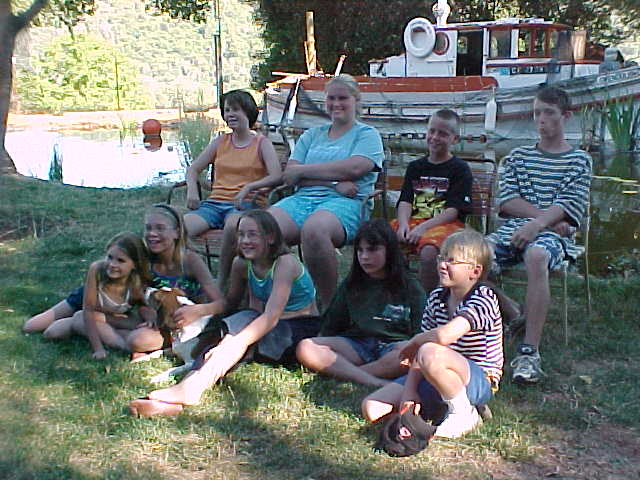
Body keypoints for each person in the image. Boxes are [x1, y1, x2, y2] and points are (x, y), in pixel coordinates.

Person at [129, 210, 322, 417]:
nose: (245, 241)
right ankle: (186, 391)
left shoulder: (285, 263)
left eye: (252, 234)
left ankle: (189, 389)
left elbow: (270, 317)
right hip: (262, 322)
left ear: (271, 237)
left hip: (298, 328)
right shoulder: (242, 264)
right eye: (241, 234)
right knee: (226, 331)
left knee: (234, 339)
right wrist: (201, 311)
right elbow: (229, 304)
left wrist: (236, 341)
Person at [486, 86, 591, 384]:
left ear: (565, 116)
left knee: (537, 254)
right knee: (469, 256)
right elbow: (507, 202)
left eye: (548, 113)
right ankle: (512, 311)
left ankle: (529, 352)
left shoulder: (579, 160)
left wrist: (538, 226)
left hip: (552, 239)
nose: (541, 119)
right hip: (516, 230)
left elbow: (570, 204)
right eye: (536, 113)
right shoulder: (517, 157)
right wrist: (543, 221)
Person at [25, 204, 226, 356]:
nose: (152, 234)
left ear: (177, 232)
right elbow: (130, 292)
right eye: (148, 228)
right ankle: (86, 324)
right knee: (36, 327)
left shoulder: (190, 260)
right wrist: (144, 312)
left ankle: (90, 328)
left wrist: (198, 310)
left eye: (160, 228)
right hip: (125, 310)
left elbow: (222, 303)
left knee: (138, 340)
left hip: (170, 322)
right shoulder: (143, 256)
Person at [361, 229, 503, 439]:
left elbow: (444, 336)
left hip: (477, 378)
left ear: (475, 271)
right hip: (434, 372)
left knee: (429, 350)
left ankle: (463, 412)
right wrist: (409, 392)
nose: (443, 265)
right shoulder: (437, 297)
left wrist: (416, 341)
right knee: (371, 408)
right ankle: (442, 409)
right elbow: (420, 355)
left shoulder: (483, 298)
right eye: (441, 258)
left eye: (452, 261)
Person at [269, 74, 384, 308]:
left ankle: (330, 305)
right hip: (303, 199)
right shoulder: (312, 135)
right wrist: (333, 182)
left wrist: (304, 172)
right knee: (265, 227)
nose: (336, 104)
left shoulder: (367, 135)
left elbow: (355, 168)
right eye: (331, 98)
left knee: (315, 229)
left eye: (342, 98)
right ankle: (287, 298)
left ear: (355, 100)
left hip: (348, 203)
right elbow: (290, 175)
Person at [296, 219, 425, 387]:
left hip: (393, 348)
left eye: (372, 250)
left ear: (389, 251)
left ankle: (347, 373)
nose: (364, 257)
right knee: (306, 347)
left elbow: (421, 335)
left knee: (411, 356)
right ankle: (372, 380)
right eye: (360, 250)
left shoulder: (410, 286)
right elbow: (331, 326)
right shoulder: (352, 284)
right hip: (358, 345)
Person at [184, 89, 282, 288]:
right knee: (178, 228)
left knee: (232, 226)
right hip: (214, 205)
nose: (230, 114)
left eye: (235, 109)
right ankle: (193, 277)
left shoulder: (261, 143)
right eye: (227, 110)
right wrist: (192, 190)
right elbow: (193, 169)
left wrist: (249, 187)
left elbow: (276, 176)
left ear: (248, 111)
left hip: (246, 205)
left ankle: (221, 282)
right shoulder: (220, 142)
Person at [391, 109, 473, 293]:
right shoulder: (415, 167)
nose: (435, 137)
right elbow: (405, 200)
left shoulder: (460, 169)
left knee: (429, 252)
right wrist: (403, 224)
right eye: (432, 131)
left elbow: (453, 211)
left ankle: (427, 300)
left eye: (442, 134)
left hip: (447, 225)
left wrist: (423, 228)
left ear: (454, 139)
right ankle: (396, 294)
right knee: (383, 239)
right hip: (413, 221)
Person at [39, 232, 153, 359]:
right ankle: (125, 347)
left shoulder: (137, 282)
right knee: (50, 332)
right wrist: (98, 349)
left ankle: (111, 338)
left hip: (116, 318)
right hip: (87, 309)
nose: (112, 264)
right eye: (109, 257)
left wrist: (149, 318)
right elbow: (88, 311)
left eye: (120, 261)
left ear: (135, 264)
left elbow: (143, 305)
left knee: (133, 326)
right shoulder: (97, 270)